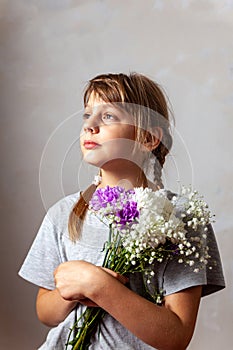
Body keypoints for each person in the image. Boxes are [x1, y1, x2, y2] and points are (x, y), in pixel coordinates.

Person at [19, 72, 225, 350]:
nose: (89, 126)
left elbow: (175, 337)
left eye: (108, 117)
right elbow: (45, 312)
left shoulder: (181, 217)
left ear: (149, 138)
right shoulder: (64, 212)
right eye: (87, 115)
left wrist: (97, 285)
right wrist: (71, 290)